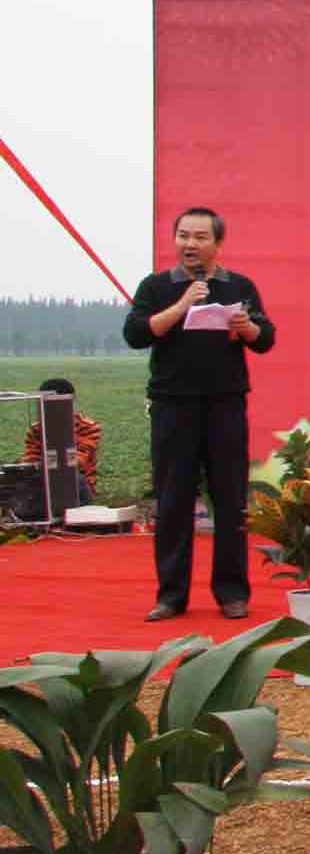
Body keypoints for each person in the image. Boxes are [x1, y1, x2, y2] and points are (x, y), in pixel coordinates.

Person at [122, 206, 274, 621]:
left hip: (225, 405)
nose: (190, 244)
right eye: (183, 236)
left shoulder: (239, 285)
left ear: (218, 244)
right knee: (173, 501)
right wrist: (183, 305)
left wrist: (245, 327)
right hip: (173, 406)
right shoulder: (156, 286)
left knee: (230, 500)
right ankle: (171, 596)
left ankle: (232, 593)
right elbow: (136, 333)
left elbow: (265, 338)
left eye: (200, 237)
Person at [19, 376, 102, 504]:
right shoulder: (37, 429)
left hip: (78, 483)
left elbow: (76, 460)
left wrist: (46, 464)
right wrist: (22, 467)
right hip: (43, 479)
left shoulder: (88, 427)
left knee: (72, 478)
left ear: (70, 402)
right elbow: (31, 455)